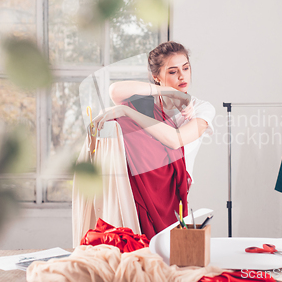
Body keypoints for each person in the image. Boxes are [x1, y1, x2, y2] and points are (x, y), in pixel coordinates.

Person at [92, 41, 215, 238]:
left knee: (126, 115)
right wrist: (166, 91)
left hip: (173, 186)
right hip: (142, 179)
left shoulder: (202, 108)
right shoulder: (147, 101)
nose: (182, 76)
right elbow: (114, 90)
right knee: (123, 122)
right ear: (156, 77)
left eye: (186, 68)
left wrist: (126, 111)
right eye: (173, 72)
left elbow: (175, 141)